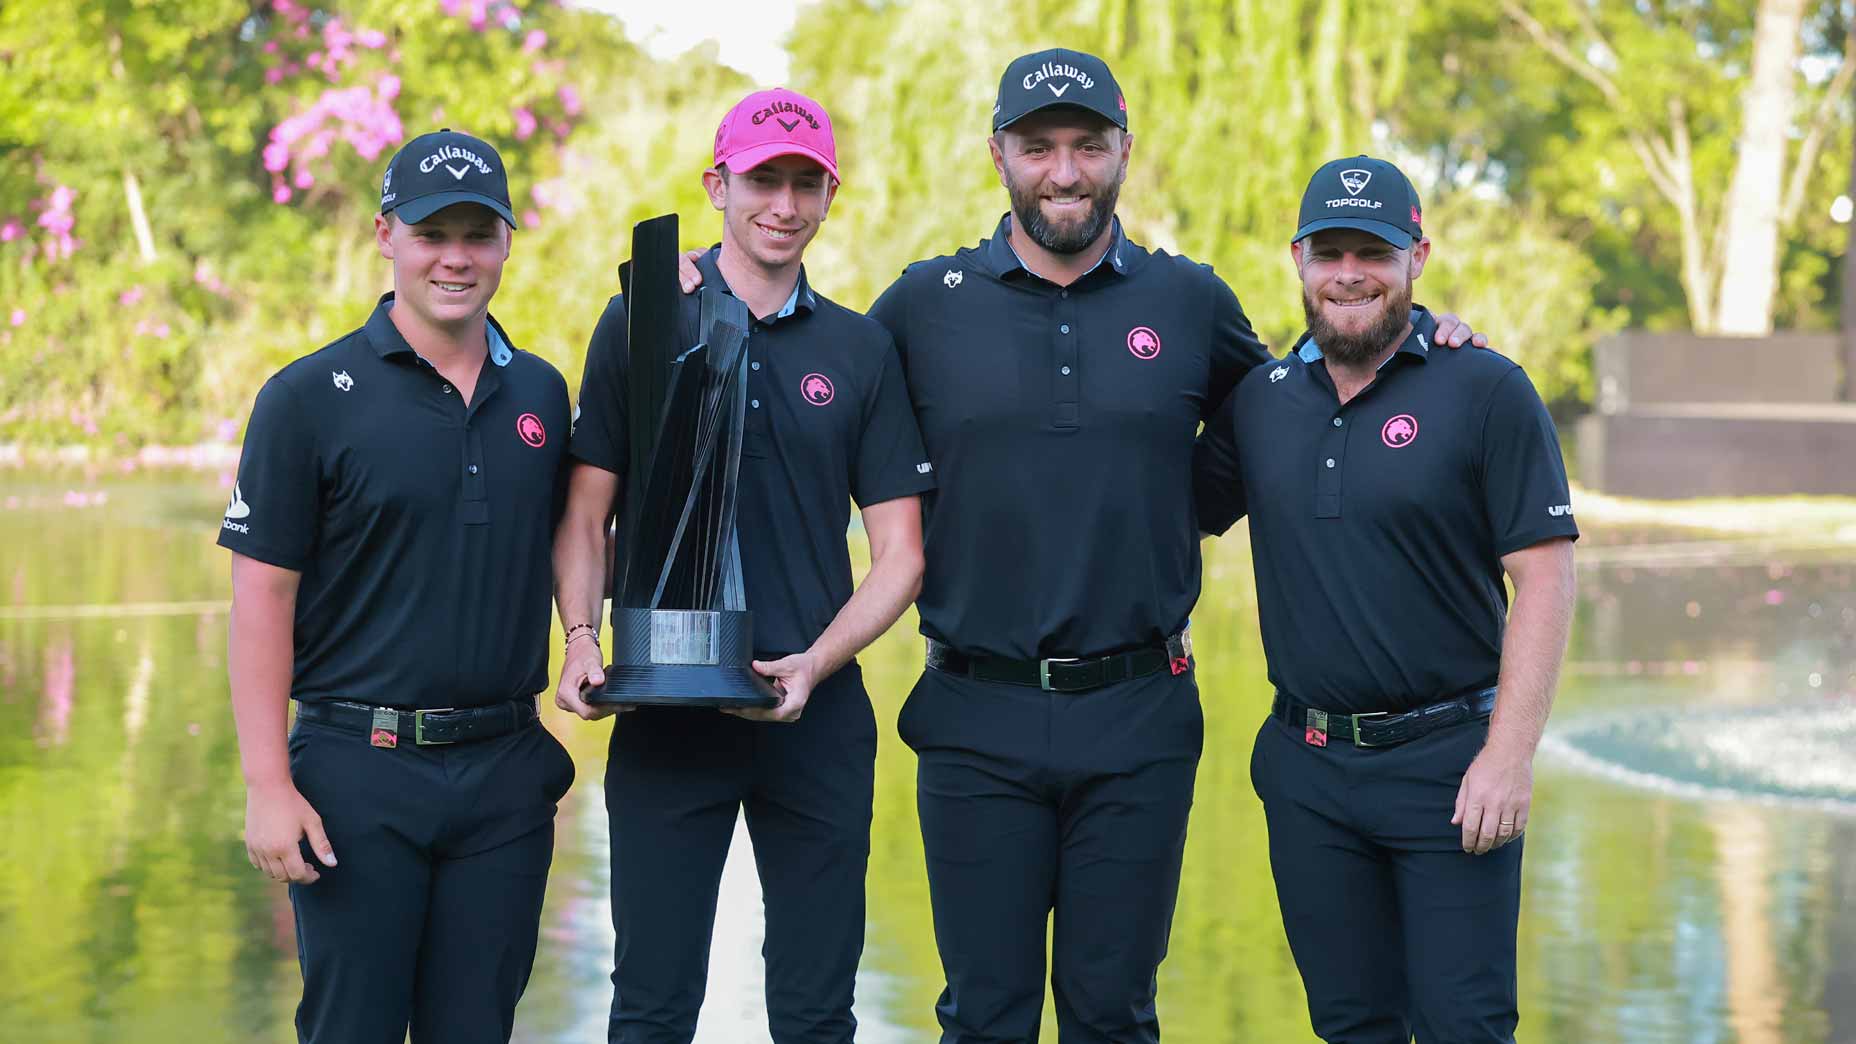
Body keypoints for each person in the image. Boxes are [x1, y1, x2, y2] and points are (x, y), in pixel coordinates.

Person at [551, 88, 934, 1044]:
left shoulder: (860, 348)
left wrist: (818, 663)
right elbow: (586, 514)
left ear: (831, 196)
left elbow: (901, 556)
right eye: (764, 179)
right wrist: (583, 640)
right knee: (651, 1010)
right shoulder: (642, 320)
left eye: (807, 183)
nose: (784, 204)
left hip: (816, 717)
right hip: (666, 710)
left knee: (817, 1014)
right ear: (718, 186)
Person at [1193, 155, 1578, 1043]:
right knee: (1350, 1024)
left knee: (1464, 1026)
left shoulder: (1487, 389)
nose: (1350, 274)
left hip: (1450, 769)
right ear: (1298, 259)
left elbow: (1547, 577)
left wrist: (1508, 757)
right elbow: (1162, 517)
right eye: (1330, 253)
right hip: (1306, 771)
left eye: (1374, 252)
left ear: (1418, 259)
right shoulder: (1261, 402)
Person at [221, 129, 575, 1044]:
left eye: (477, 234)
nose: (456, 258)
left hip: (505, 773)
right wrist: (267, 784)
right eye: (431, 234)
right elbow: (261, 600)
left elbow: (573, 540)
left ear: (505, 241)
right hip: (355, 775)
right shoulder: (306, 398)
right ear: (386, 235)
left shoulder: (542, 395)